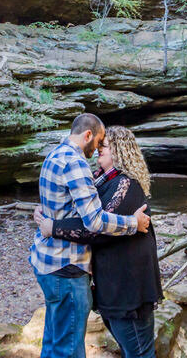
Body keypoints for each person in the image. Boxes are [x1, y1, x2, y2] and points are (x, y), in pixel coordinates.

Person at [30, 114, 151, 358]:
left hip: (49, 262)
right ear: (87, 135)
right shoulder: (76, 163)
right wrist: (133, 223)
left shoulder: (54, 155)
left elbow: (56, 205)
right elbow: (94, 221)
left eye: (102, 145)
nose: (97, 149)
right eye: (98, 142)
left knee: (54, 342)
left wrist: (48, 222)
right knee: (69, 349)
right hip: (67, 265)